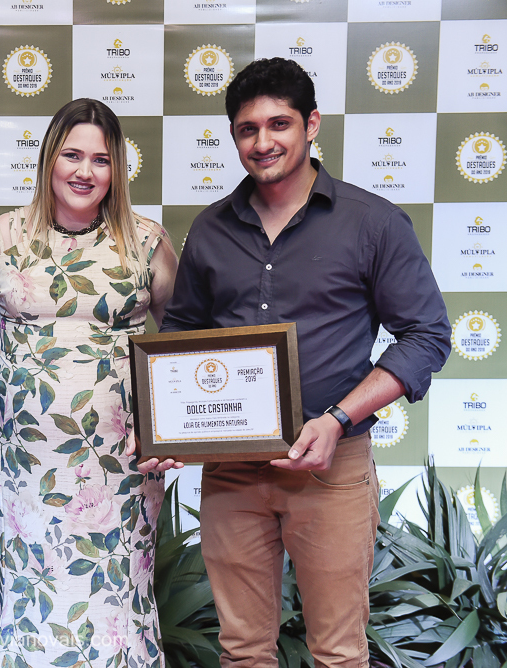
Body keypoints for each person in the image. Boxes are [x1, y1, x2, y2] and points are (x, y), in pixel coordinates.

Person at [161, 57, 451, 667]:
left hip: (332, 465)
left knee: (339, 652)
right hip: (232, 471)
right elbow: (182, 332)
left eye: (279, 124)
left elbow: (426, 335)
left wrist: (337, 420)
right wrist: (170, 424)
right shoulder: (210, 230)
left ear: (311, 124)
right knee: (242, 651)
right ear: (233, 135)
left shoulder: (372, 223)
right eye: (247, 129)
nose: (262, 142)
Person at [0, 98, 180, 668]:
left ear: (117, 170)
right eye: (72, 155)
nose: (85, 171)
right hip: (22, 465)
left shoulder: (146, 240)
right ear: (49, 160)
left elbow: (180, 346)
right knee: (27, 589)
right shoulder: (1, 236)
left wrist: (170, 433)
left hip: (122, 463)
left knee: (117, 593)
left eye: (101, 160)